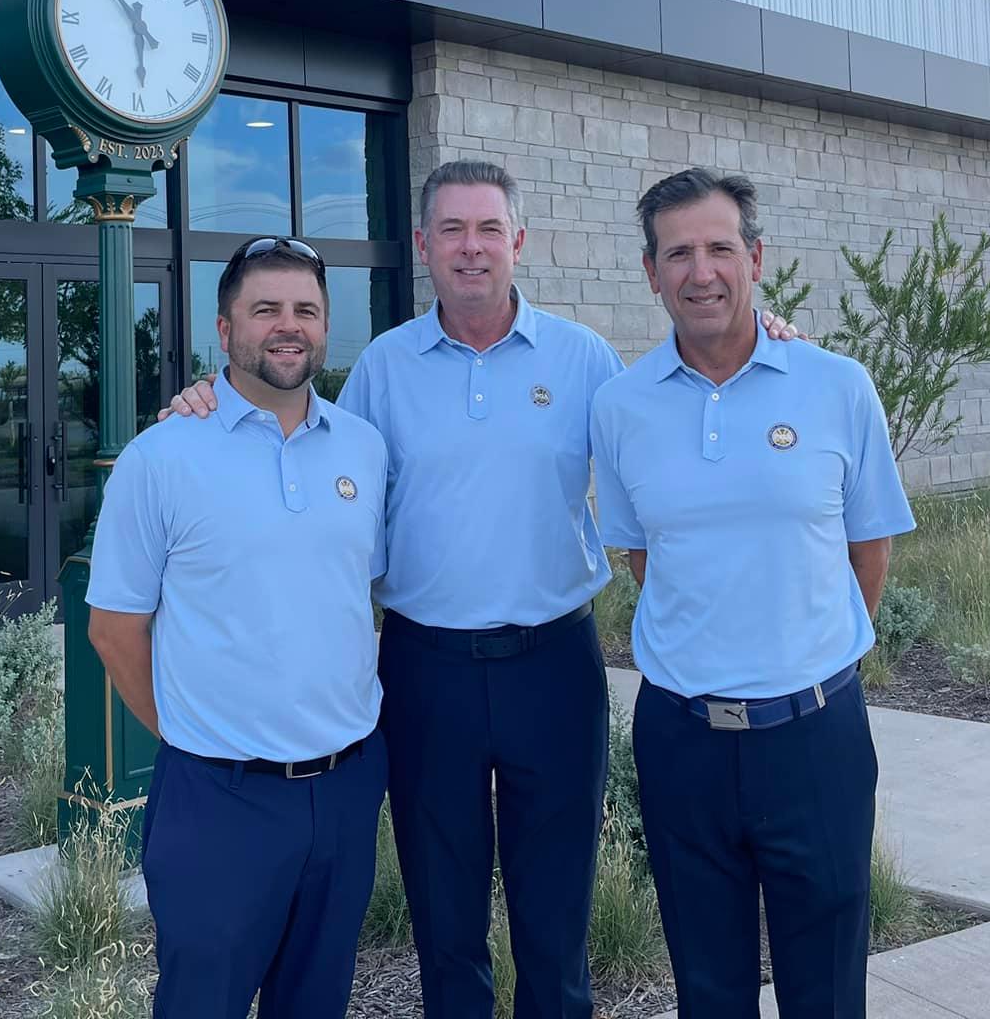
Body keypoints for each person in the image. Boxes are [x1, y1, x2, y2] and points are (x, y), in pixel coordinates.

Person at [162, 160, 798, 1019]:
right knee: (445, 916)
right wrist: (210, 400)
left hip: (555, 666)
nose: (472, 248)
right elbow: (304, 443)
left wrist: (769, 335)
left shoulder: (583, 360)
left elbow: (678, 412)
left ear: (518, 241)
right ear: (423, 245)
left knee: (556, 913)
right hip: (426, 671)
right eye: (452, 230)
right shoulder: (384, 368)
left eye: (489, 229)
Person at [589, 168, 912, 1019]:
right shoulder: (620, 407)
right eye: (678, 254)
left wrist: (808, 650)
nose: (701, 272)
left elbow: (868, 548)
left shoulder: (837, 385)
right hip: (681, 739)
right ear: (651, 272)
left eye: (720, 248)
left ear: (756, 259)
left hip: (815, 736)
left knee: (827, 990)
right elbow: (646, 556)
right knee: (707, 987)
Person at [86, 236, 390, 1019]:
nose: (289, 326)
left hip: (347, 788)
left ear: (325, 327)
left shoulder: (364, 450)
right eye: (266, 310)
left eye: (306, 310)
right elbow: (113, 630)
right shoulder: (161, 457)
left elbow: (363, 592)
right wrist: (192, 737)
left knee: (316, 1002)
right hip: (218, 801)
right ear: (225, 330)